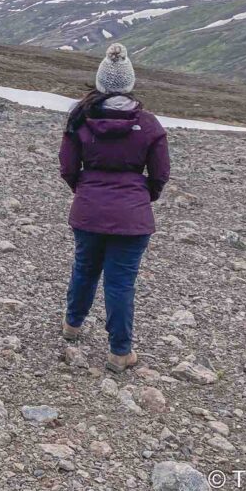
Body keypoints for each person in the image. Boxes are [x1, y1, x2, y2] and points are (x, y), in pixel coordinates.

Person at [58, 43, 170, 372]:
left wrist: (86, 190)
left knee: (85, 269)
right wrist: (141, 195)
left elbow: (67, 168)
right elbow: (160, 173)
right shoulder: (149, 124)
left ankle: (72, 325)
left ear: (101, 82)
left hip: (88, 211)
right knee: (120, 282)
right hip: (132, 217)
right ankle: (120, 352)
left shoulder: (81, 118)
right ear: (130, 82)